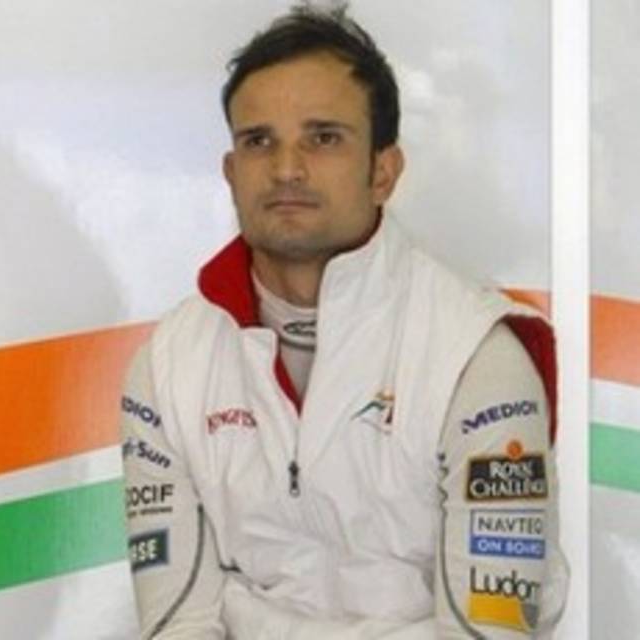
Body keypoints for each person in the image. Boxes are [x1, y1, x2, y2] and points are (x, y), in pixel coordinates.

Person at [120, 4, 568, 638]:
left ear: (383, 172)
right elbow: (178, 621)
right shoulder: (169, 365)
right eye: (259, 141)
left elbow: (490, 629)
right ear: (231, 172)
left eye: (323, 137)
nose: (286, 168)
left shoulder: (477, 356)